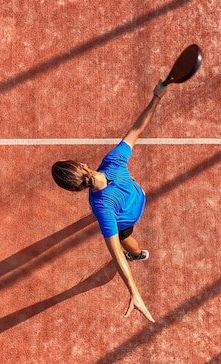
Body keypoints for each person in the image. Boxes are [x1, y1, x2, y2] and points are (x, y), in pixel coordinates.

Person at [51, 81, 168, 323]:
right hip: (139, 196)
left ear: (75, 190)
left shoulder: (101, 208)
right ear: (83, 165)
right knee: (127, 182)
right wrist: (156, 97)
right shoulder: (114, 160)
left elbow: (115, 253)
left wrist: (135, 293)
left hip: (127, 220)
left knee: (127, 242)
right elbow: (137, 128)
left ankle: (138, 255)